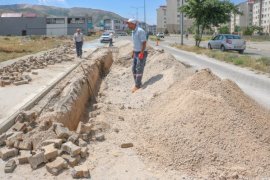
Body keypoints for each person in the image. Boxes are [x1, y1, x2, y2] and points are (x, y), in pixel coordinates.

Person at [126, 18, 147, 93]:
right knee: (133, 69)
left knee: (139, 69)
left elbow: (144, 43)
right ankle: (137, 83)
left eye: (129, 23)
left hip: (141, 52)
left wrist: (141, 53)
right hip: (136, 52)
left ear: (133, 23)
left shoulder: (140, 31)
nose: (127, 25)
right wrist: (133, 51)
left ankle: (137, 86)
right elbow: (136, 43)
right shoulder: (133, 31)